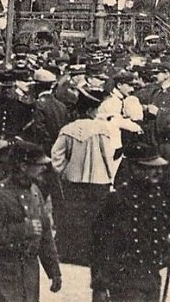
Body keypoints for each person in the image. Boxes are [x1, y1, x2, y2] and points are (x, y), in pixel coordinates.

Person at [90, 143, 170, 302]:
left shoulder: (158, 198)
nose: (158, 171)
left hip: (152, 277)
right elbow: (100, 245)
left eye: (159, 167)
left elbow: (164, 231)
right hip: (126, 281)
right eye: (151, 168)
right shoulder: (117, 200)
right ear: (135, 169)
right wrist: (100, 286)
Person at [0, 141, 62, 302]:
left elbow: (45, 236)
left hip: (28, 277)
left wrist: (54, 271)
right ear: (23, 166)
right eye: (39, 165)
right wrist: (22, 230)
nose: (43, 169)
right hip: (2, 277)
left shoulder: (36, 193)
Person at [49, 89, 115, 266]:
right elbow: (107, 155)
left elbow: (56, 155)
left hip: (74, 179)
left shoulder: (68, 129)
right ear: (90, 111)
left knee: (74, 215)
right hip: (99, 180)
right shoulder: (102, 129)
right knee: (96, 217)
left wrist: (63, 171)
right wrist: (111, 177)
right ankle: (92, 254)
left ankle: (71, 253)